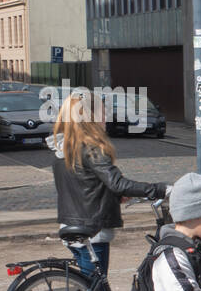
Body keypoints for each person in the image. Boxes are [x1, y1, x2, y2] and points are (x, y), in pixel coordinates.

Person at [48, 92, 167, 279]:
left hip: (70, 225)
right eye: (103, 112)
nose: (107, 117)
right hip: (92, 231)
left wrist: (114, 197)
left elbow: (83, 186)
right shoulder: (92, 148)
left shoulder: (63, 149)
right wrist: (161, 189)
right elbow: (118, 183)